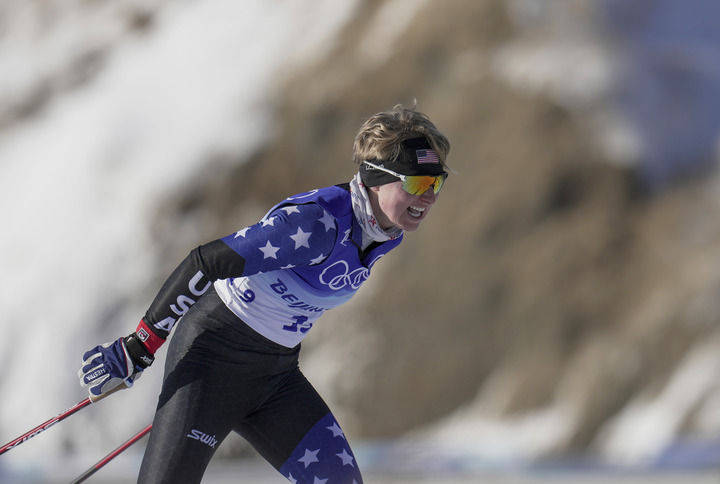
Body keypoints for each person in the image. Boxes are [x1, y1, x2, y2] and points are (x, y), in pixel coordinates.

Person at [78, 104, 451, 483]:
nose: (429, 197)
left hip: (275, 378)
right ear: (376, 178)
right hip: (210, 365)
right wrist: (140, 345)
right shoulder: (316, 224)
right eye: (418, 184)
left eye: (436, 184)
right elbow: (205, 261)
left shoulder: (385, 231)